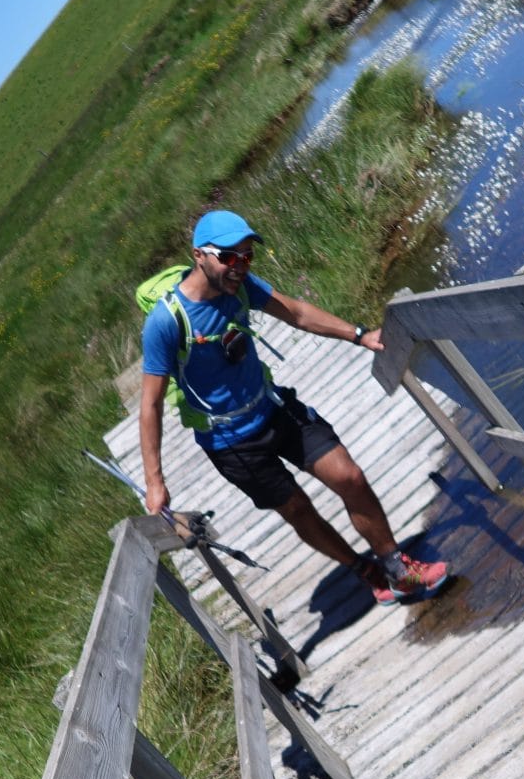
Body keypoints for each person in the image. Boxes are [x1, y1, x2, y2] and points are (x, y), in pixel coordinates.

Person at [139, 209, 448, 605]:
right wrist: (154, 481)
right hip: (231, 442)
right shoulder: (166, 322)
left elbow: (297, 312)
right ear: (199, 255)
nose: (240, 266)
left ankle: (398, 569)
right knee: (298, 509)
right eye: (230, 257)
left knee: (349, 477)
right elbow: (150, 405)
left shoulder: (242, 286)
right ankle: (365, 569)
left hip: (271, 407)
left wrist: (359, 335)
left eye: (247, 256)